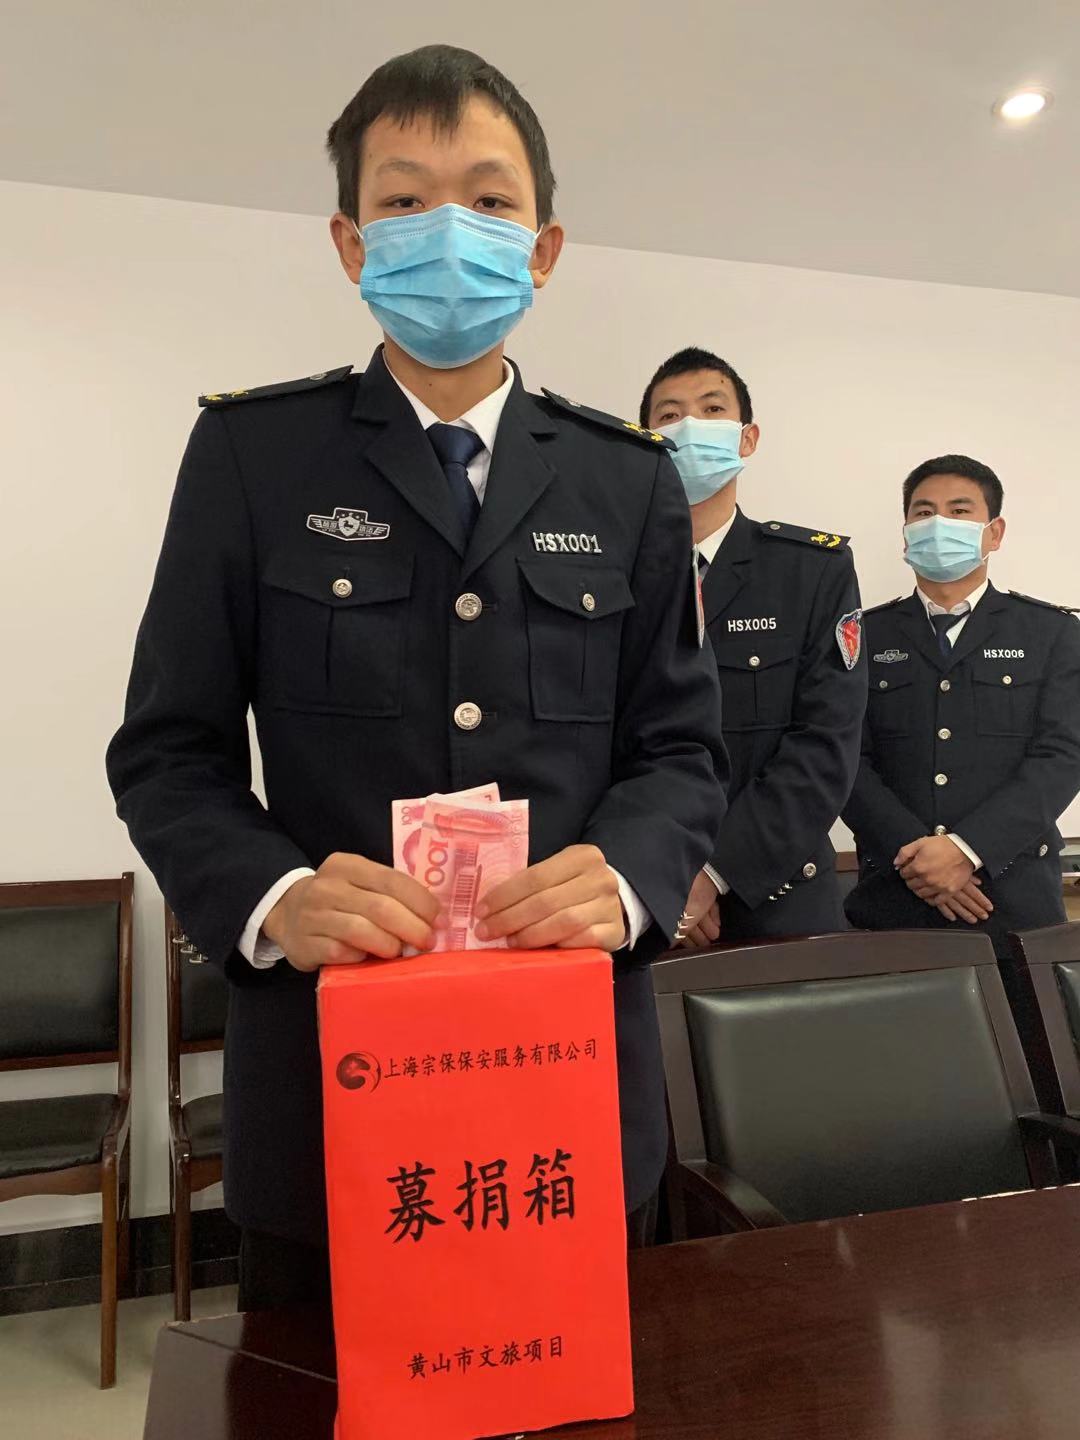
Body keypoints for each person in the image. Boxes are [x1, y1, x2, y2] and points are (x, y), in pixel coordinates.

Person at [106, 45, 727, 1304]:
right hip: (329, 1081)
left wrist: (623, 878)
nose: (450, 229)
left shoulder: (626, 478)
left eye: (490, 200)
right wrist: (276, 896)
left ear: (543, 249)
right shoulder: (253, 456)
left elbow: (681, 748)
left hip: (568, 1078)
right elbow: (168, 752)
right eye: (404, 199)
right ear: (351, 242)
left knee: (576, 1384)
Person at [639, 348, 866, 945]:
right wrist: (659, 875)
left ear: (747, 438)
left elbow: (826, 744)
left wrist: (713, 875)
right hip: (637, 896)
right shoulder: (607, 574)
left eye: (712, 410)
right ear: (645, 442)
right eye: (670, 415)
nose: (690, 427)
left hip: (783, 900)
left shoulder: (811, 571)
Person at [843, 454, 1080, 952]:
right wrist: (919, 862)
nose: (939, 524)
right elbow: (844, 758)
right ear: (906, 534)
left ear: (995, 533)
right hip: (894, 892)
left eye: (959, 511)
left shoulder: (1052, 632)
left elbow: (1062, 757)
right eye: (924, 512)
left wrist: (968, 850)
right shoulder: (863, 634)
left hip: (1014, 896)